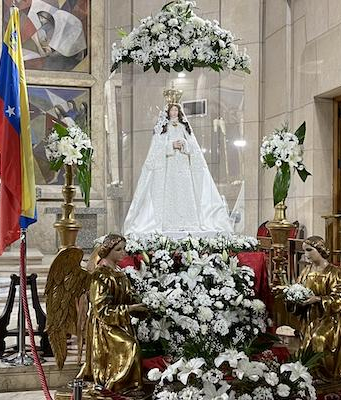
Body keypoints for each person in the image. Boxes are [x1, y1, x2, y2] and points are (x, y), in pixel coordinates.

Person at [123, 102, 233, 236]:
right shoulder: (164, 128)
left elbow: (194, 147)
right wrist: (171, 145)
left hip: (183, 165)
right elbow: (156, 149)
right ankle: (170, 222)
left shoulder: (183, 127)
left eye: (176, 110)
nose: (174, 113)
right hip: (169, 167)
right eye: (172, 110)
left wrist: (185, 144)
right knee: (171, 191)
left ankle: (188, 222)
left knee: (185, 191)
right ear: (168, 113)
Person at [78, 234, 146, 392]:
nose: (123, 253)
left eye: (124, 249)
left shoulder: (119, 272)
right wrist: (129, 309)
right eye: (119, 249)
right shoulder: (100, 276)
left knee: (132, 345)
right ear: (108, 251)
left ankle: (128, 387)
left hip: (119, 322)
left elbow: (128, 295)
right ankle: (116, 384)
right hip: (104, 326)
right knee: (131, 347)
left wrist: (141, 305)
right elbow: (101, 310)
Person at [292, 236, 341, 380]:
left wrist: (317, 299)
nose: (307, 254)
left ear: (320, 250)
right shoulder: (306, 271)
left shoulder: (335, 272)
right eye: (305, 251)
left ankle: (326, 375)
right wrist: (292, 297)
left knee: (319, 339)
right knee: (305, 348)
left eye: (310, 250)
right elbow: (298, 289)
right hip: (310, 316)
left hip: (330, 318)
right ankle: (310, 376)